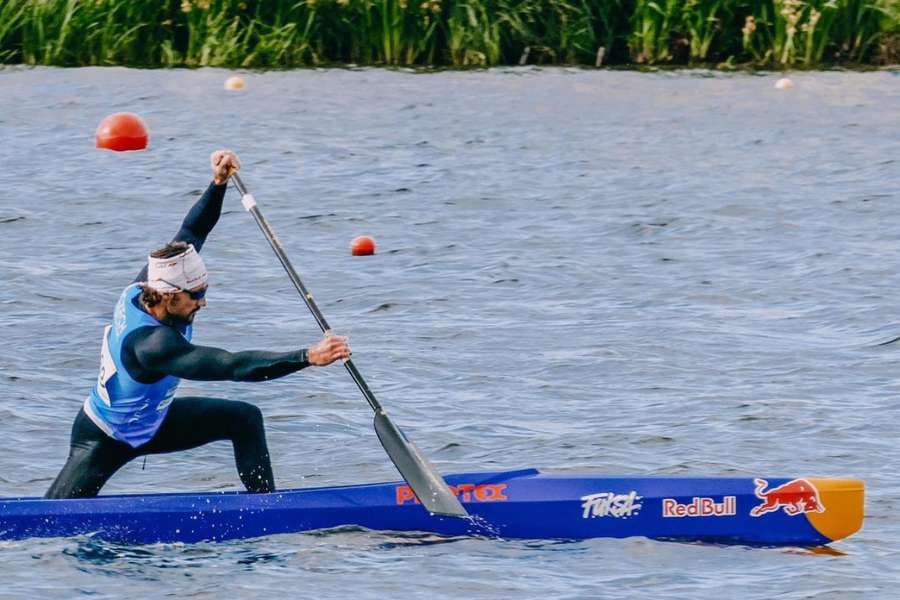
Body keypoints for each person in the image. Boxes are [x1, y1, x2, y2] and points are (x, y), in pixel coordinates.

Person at [45, 150, 350, 499]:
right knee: (51, 520)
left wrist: (218, 184)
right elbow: (233, 367)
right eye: (196, 295)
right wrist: (308, 356)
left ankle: (266, 510)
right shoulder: (153, 345)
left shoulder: (146, 286)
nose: (203, 302)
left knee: (244, 419)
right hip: (104, 437)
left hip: (154, 421)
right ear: (168, 296)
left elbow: (192, 231)